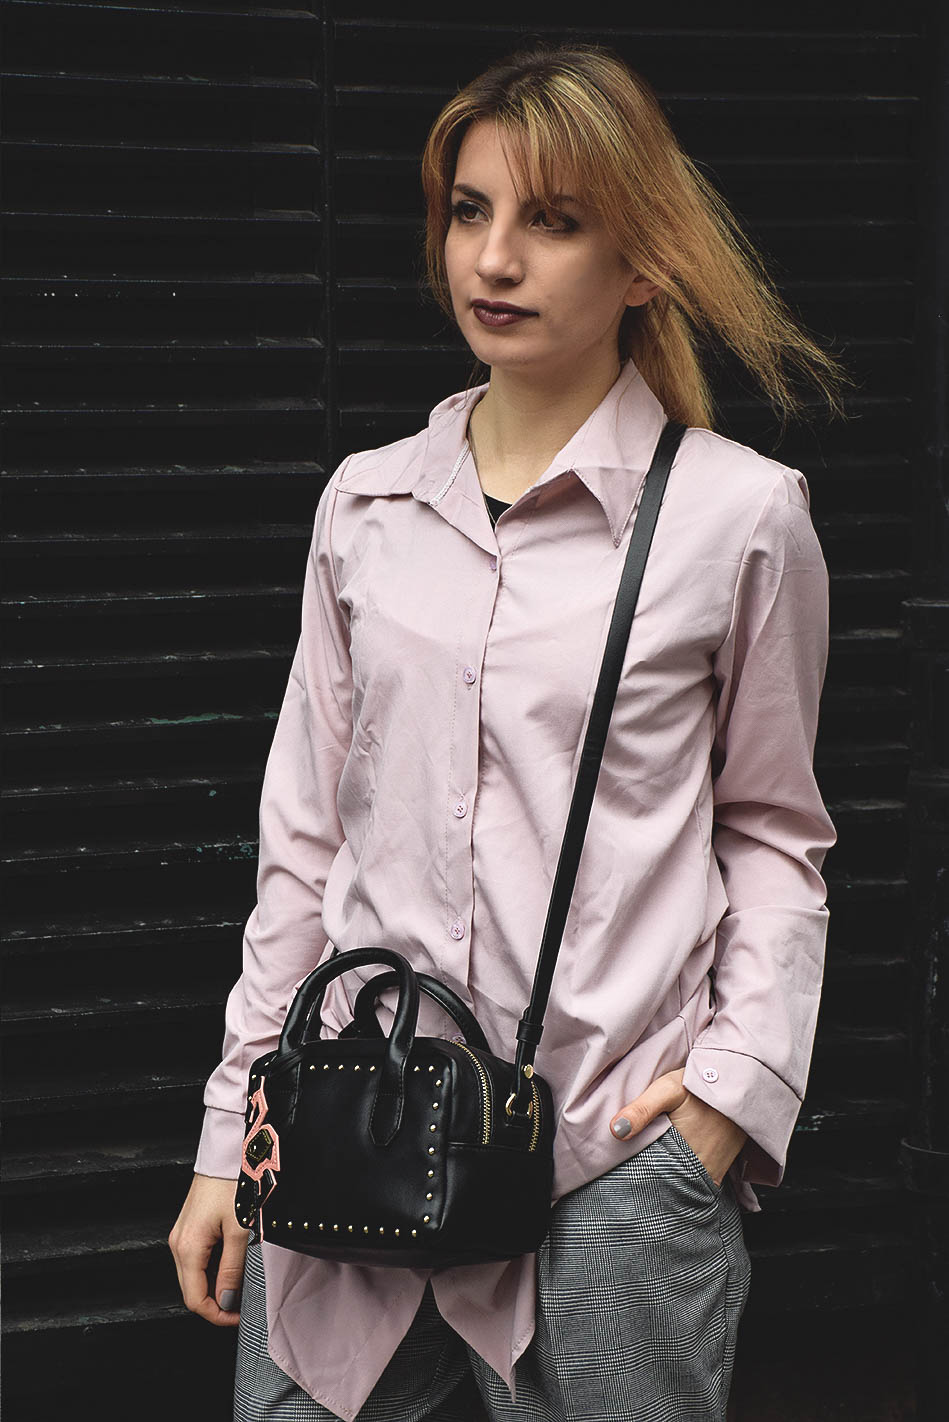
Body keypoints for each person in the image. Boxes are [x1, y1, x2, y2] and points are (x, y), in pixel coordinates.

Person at [168, 40, 850, 1422]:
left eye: (553, 220)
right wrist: (230, 1133)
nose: (494, 258)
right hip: (349, 1135)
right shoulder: (365, 507)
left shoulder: (738, 518)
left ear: (642, 260)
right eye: (470, 212)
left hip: (608, 1164)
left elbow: (775, 831)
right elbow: (302, 845)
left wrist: (728, 1100)